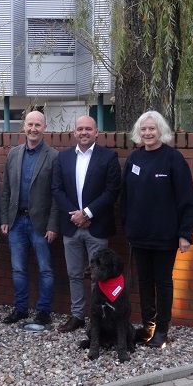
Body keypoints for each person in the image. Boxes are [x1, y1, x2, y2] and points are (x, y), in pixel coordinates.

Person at [121, 110, 193, 349]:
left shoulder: (174, 159)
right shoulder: (134, 159)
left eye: (151, 129)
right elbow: (125, 197)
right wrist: (127, 226)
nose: (147, 133)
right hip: (139, 235)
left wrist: (185, 233)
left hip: (165, 236)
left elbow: (186, 199)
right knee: (144, 281)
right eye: (143, 129)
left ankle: (162, 330)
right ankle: (148, 327)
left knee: (163, 282)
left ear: (160, 130)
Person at [52, 115, 121, 332]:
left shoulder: (108, 157)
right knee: (74, 273)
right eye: (80, 129)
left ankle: (97, 317)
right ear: (74, 133)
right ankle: (77, 316)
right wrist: (75, 216)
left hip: (97, 226)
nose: (84, 132)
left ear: (96, 132)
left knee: (98, 277)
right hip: (71, 226)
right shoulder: (63, 157)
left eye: (88, 129)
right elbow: (57, 189)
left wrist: (87, 213)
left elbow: (112, 191)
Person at [0, 111, 59, 326]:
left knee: (45, 270)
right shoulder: (14, 154)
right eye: (30, 124)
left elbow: (56, 195)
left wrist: (53, 225)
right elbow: (6, 190)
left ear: (45, 128)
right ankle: (21, 309)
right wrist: (5, 219)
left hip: (41, 224)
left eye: (38, 125)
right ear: (24, 126)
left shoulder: (53, 156)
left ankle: (44, 311)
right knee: (18, 269)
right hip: (16, 222)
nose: (33, 129)